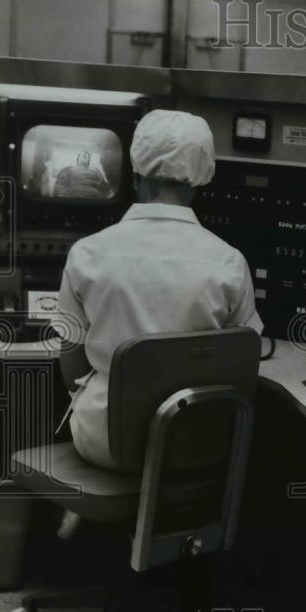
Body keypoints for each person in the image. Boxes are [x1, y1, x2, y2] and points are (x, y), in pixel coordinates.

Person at [56, 110, 263, 471]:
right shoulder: (229, 262)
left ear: (135, 175)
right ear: (199, 180)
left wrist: (93, 401)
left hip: (105, 444)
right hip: (190, 446)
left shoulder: (87, 253)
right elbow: (244, 364)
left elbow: (71, 358)